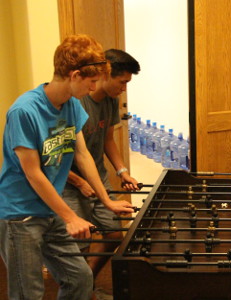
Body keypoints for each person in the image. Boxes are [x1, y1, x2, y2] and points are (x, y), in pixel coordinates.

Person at [0, 34, 134, 300]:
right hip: (20, 216)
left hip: (49, 212)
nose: (94, 87)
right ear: (74, 75)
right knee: (29, 292)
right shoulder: (24, 111)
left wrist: (107, 201)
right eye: (92, 81)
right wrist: (70, 216)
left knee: (79, 278)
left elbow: (83, 155)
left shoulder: (71, 106)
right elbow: (33, 173)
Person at [62, 48, 140, 290]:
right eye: (122, 81)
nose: (125, 88)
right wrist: (79, 182)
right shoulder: (75, 103)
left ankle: (88, 284)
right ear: (105, 75)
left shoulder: (110, 101)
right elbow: (55, 159)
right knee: (78, 246)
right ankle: (80, 289)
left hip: (97, 178)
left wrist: (122, 171)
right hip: (68, 182)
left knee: (115, 235)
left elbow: (108, 140)